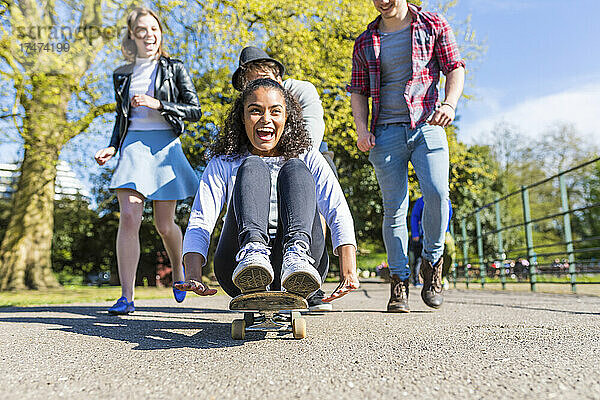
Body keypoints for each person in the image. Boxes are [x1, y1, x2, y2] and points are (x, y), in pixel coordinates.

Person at [176, 79, 360, 305]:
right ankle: (253, 253)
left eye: (275, 112)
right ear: (242, 118)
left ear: (287, 118)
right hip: (238, 264)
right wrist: (193, 274)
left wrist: (349, 271)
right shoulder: (224, 162)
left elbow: (337, 209)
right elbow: (202, 218)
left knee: (295, 167)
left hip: (304, 264)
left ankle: (296, 255)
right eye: (255, 111)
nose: (266, 120)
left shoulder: (308, 155)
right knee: (253, 165)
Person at [347, 0, 465, 313]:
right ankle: (399, 281)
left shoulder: (432, 24)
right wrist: (361, 131)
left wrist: (450, 104)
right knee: (394, 208)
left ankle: (432, 262)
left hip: (427, 125)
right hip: (384, 133)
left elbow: (455, 67)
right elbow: (357, 90)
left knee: (438, 194)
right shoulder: (365, 41)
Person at [94, 7, 201, 314]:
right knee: (129, 216)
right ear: (132, 35)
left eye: (153, 29)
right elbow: (121, 117)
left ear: (160, 32)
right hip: (132, 147)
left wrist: (158, 104)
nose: (149, 35)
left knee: (165, 225)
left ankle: (179, 272)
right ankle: (126, 296)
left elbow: (194, 110)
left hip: (165, 146)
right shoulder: (122, 74)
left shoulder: (174, 68)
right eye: (141, 30)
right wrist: (112, 146)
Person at [231, 46, 338, 311]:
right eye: (251, 82)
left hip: (298, 160)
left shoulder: (302, 91)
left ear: (277, 76)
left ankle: (302, 258)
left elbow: (307, 142)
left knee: (309, 172)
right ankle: (253, 253)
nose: (260, 84)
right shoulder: (246, 109)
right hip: (259, 166)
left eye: (264, 77)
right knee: (251, 169)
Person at [410, 196, 455, 289]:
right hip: (424, 233)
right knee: (420, 257)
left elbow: (449, 213)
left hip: (443, 231)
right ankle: (422, 279)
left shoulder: (445, 198)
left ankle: (441, 276)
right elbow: (414, 217)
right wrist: (415, 234)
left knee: (449, 253)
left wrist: (444, 228)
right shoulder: (420, 201)